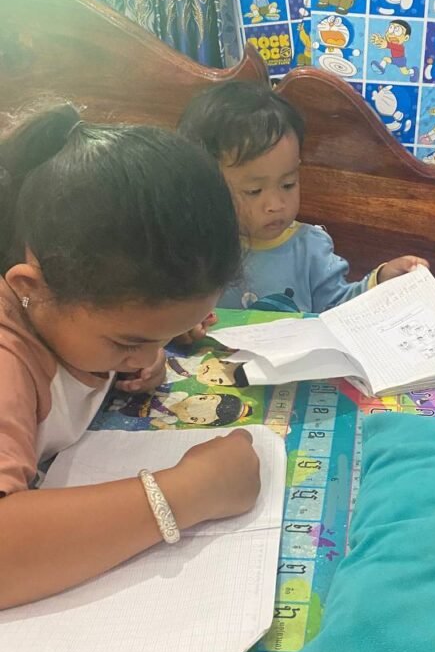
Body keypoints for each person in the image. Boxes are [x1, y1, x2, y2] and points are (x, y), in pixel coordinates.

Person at [0, 105, 261, 610]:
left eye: (164, 335)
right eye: (125, 342)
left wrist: (138, 352)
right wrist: (184, 493)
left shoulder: (72, 308)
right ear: (31, 288)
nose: (145, 355)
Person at [178, 82, 428, 313]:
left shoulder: (310, 248)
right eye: (254, 191)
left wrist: (381, 281)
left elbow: (339, 310)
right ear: (207, 185)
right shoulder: (196, 247)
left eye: (288, 184)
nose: (276, 205)